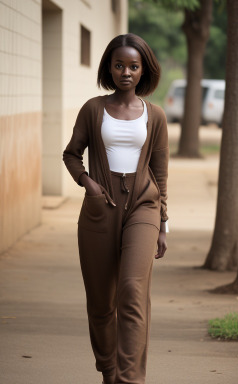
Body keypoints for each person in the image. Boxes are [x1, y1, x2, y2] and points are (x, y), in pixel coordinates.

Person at [63, 33, 169, 384]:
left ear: (143, 71)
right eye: (119, 65)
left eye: (133, 66)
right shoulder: (94, 108)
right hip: (99, 210)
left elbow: (160, 171)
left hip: (143, 206)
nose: (126, 72)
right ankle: (108, 370)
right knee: (101, 303)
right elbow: (71, 153)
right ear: (109, 68)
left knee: (132, 292)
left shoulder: (155, 116)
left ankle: (129, 379)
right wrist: (87, 183)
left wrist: (163, 223)